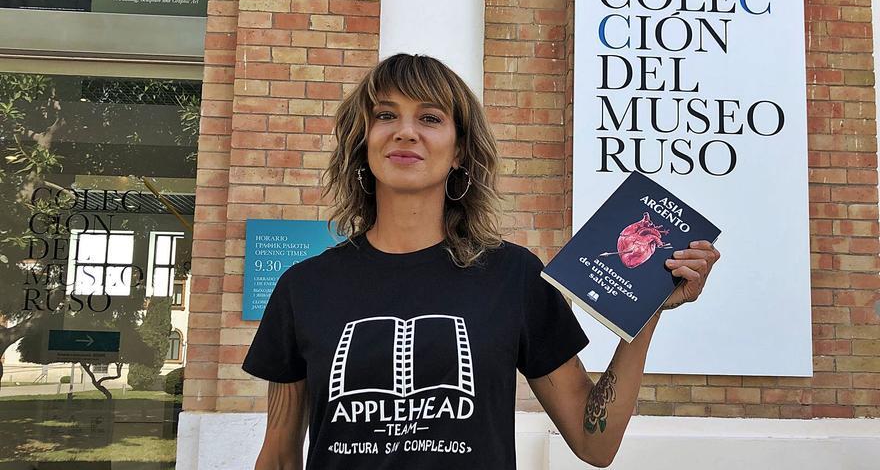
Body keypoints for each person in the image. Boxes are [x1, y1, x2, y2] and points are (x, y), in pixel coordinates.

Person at [242, 53, 721, 470]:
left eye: (429, 118)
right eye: (386, 115)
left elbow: (594, 442)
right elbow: (281, 456)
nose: (405, 131)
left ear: (459, 152)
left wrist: (648, 307)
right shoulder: (304, 288)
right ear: (362, 144)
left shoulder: (514, 277)